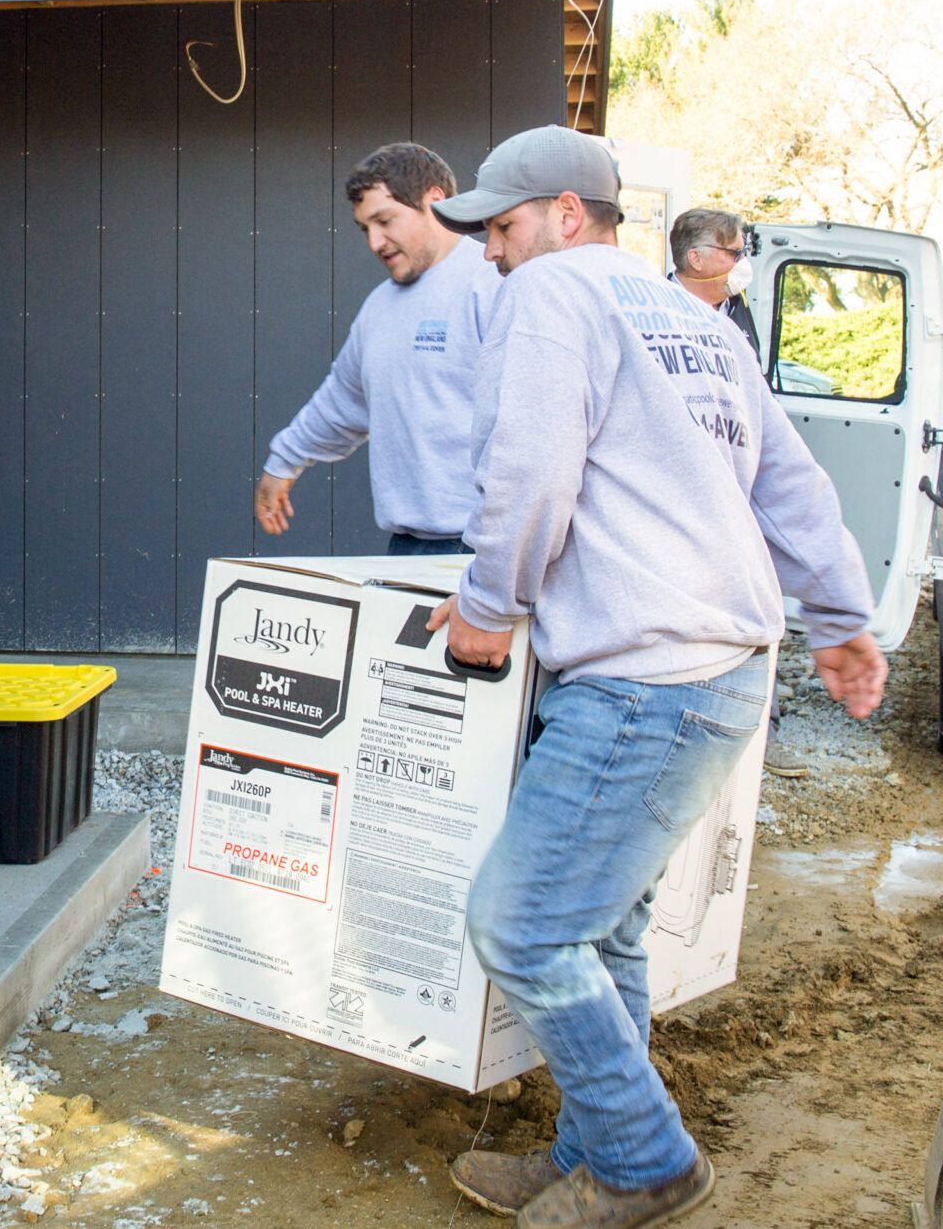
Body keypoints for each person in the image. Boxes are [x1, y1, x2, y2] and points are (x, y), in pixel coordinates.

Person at [419, 124, 886, 1229]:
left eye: (503, 225)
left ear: (566, 216)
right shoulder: (693, 318)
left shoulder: (553, 293)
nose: (490, 248)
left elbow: (529, 465)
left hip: (643, 682)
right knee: (605, 929)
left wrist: (489, 608)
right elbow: (790, 482)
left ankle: (641, 1159)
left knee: (523, 926)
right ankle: (589, 1150)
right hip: (714, 677)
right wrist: (838, 617)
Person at [255, 142, 501, 556]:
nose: (374, 241)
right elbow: (343, 401)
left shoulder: (493, 284)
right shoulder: (379, 308)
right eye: (365, 228)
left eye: (385, 221)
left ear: (435, 202)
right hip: (405, 547)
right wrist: (283, 460)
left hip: (484, 551)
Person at [668, 206, 760, 360]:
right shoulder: (660, 310)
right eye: (735, 253)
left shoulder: (736, 303)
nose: (743, 261)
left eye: (744, 252)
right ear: (696, 258)